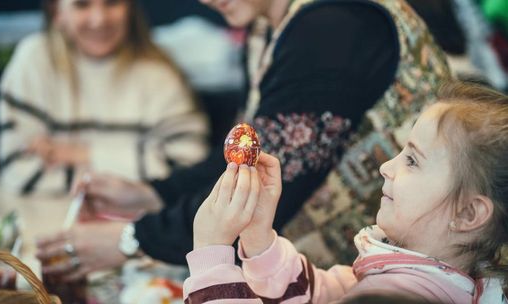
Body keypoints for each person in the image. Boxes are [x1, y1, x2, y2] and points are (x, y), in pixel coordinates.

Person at [35, 0, 451, 279]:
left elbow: (255, 198)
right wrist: (150, 195)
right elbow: (246, 156)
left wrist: (132, 240)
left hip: (414, 277)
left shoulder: (332, 28)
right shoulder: (272, 23)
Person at [183, 81, 508, 303]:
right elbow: (325, 294)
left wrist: (211, 256)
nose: (386, 167)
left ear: (468, 213)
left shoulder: (400, 299)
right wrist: (258, 240)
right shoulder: (414, 274)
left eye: (412, 160)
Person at [0, 0, 209, 195]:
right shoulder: (34, 61)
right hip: (42, 219)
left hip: (131, 226)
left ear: (130, 8)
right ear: (57, 12)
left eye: (112, 2)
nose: (99, 19)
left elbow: (189, 170)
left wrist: (78, 154)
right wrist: (136, 171)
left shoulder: (160, 75)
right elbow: (19, 173)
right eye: (82, 5)